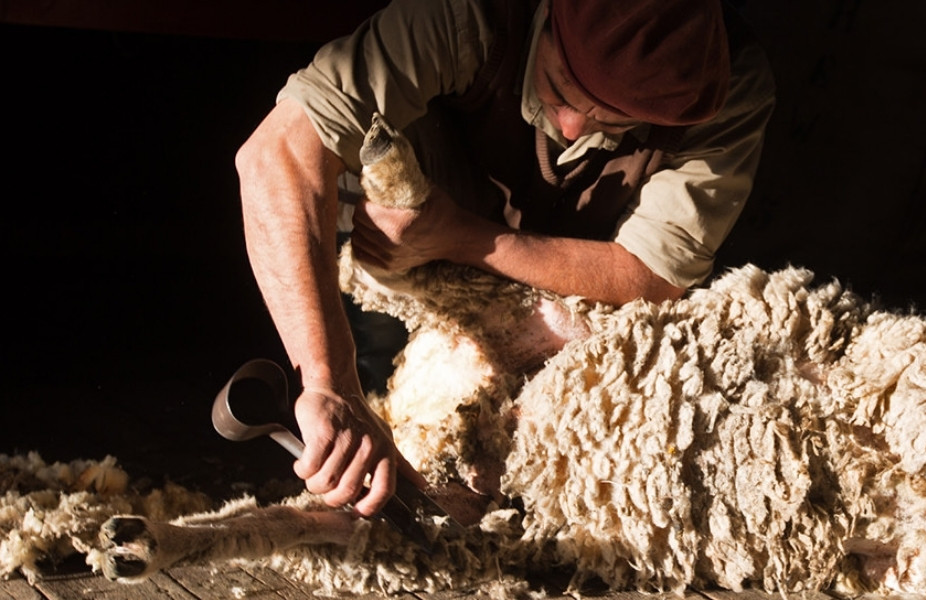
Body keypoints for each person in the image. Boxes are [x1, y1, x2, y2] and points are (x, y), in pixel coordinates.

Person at [234, 0, 775, 517]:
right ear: (548, 18)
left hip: (567, 289)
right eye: (560, 87)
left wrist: (460, 236)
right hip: (405, 254)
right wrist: (330, 379)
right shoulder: (473, 13)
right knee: (390, 392)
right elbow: (276, 152)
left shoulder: (724, 88)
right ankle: (379, 386)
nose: (571, 126)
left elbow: (652, 274)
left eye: (613, 121)